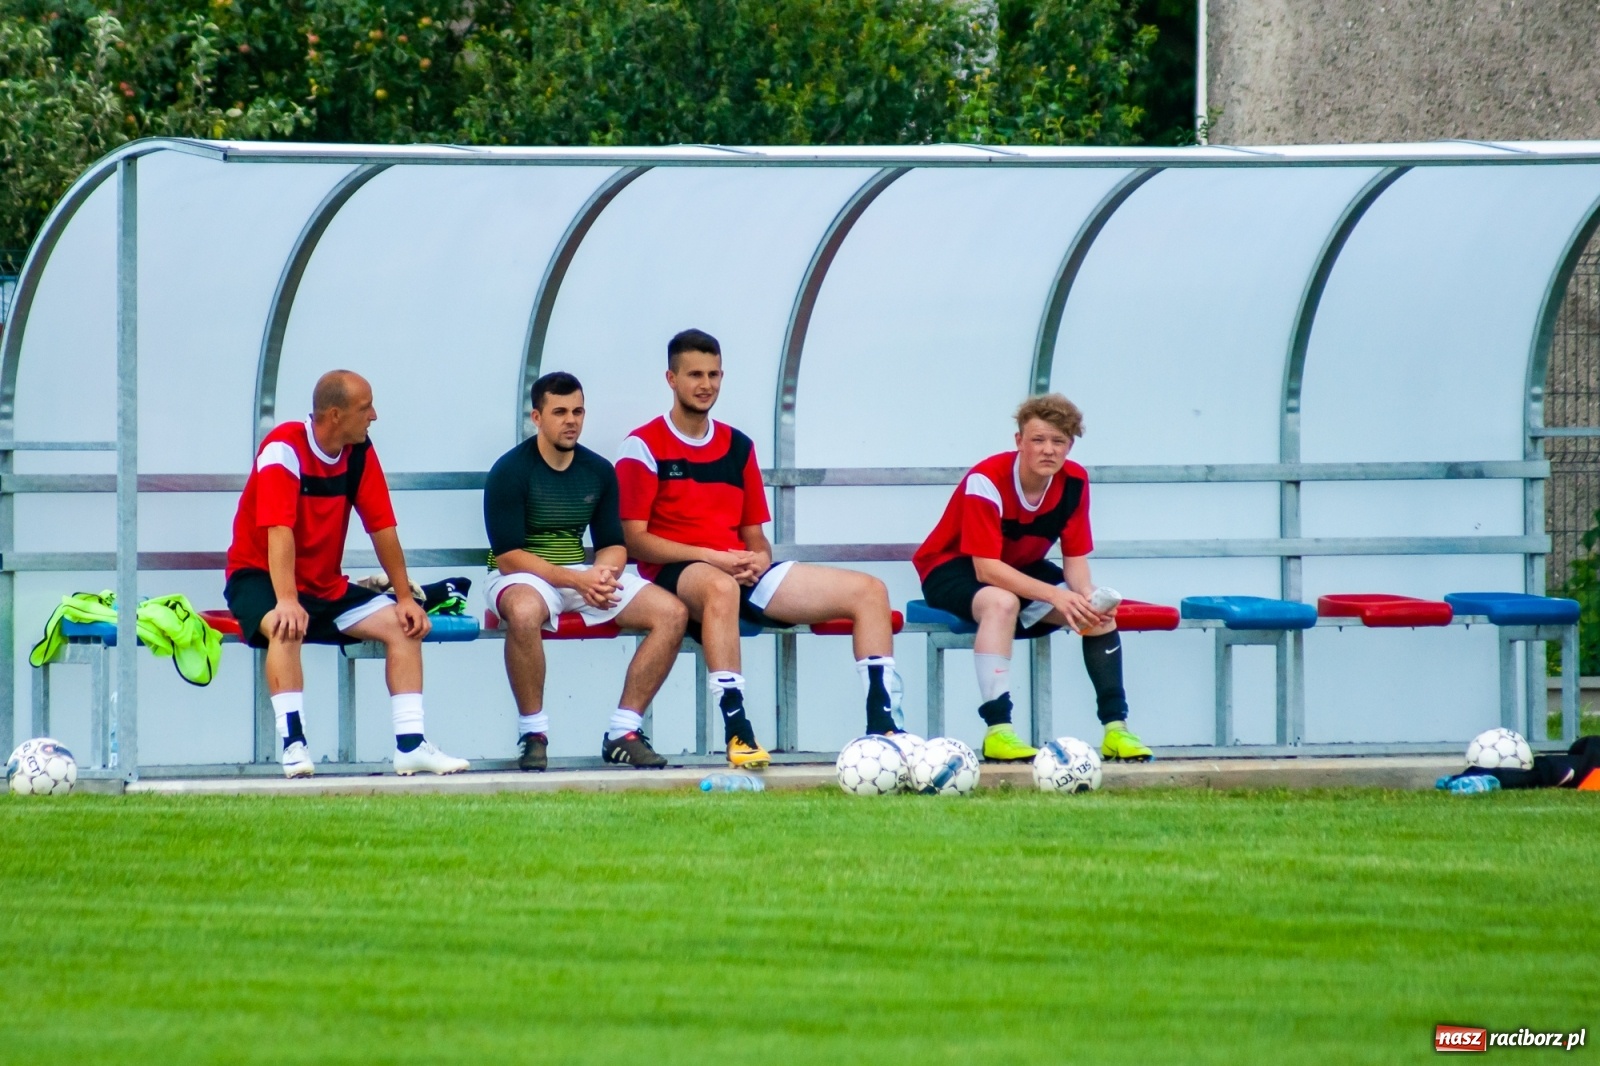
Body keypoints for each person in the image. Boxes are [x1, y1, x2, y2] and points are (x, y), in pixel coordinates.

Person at [617, 329, 901, 770]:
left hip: (736, 569)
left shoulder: (739, 445)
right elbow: (635, 540)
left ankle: (884, 730)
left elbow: (754, 537)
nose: (705, 384)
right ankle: (738, 731)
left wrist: (758, 561)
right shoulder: (643, 444)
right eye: (694, 374)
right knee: (720, 588)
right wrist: (714, 558)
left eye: (713, 374)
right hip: (678, 571)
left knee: (870, 590)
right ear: (670, 379)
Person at [224, 370, 470, 778]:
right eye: (365, 407)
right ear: (335, 415)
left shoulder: (359, 450)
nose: (374, 415)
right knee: (287, 627)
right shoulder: (283, 449)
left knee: (404, 625)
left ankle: (411, 746)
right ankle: (294, 746)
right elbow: (278, 533)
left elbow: (382, 527)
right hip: (259, 577)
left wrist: (406, 598)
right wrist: (287, 599)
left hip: (324, 584)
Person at [912, 393, 1153, 763]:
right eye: (1038, 440)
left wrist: (1087, 595)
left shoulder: (1075, 482)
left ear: (1070, 446)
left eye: (1058, 442)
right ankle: (998, 731)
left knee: (1098, 613)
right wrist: (1056, 597)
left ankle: (1115, 729)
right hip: (951, 567)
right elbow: (986, 569)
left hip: (1019, 568)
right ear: (1019, 442)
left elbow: (1075, 561)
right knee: (1001, 601)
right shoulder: (986, 478)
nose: (1048, 450)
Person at [483, 371, 688, 771]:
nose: (571, 420)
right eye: (559, 412)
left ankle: (624, 732)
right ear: (537, 418)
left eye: (577, 411)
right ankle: (533, 735)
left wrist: (603, 575)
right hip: (520, 576)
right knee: (524, 612)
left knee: (672, 613)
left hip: (577, 575)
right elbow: (509, 556)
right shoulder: (509, 470)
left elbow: (613, 543)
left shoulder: (597, 469)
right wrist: (579, 579)